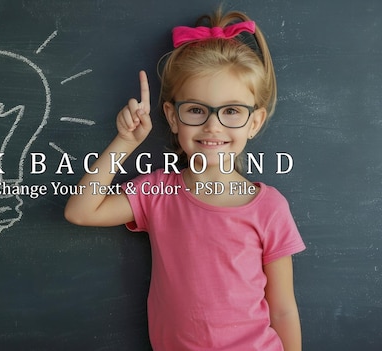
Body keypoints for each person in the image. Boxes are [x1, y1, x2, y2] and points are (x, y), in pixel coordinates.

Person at [64, 8, 305, 351]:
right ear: (172, 117)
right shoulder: (158, 192)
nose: (213, 125)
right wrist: (126, 142)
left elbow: (282, 309)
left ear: (255, 122)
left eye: (232, 111)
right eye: (195, 109)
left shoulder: (268, 208)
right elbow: (81, 212)